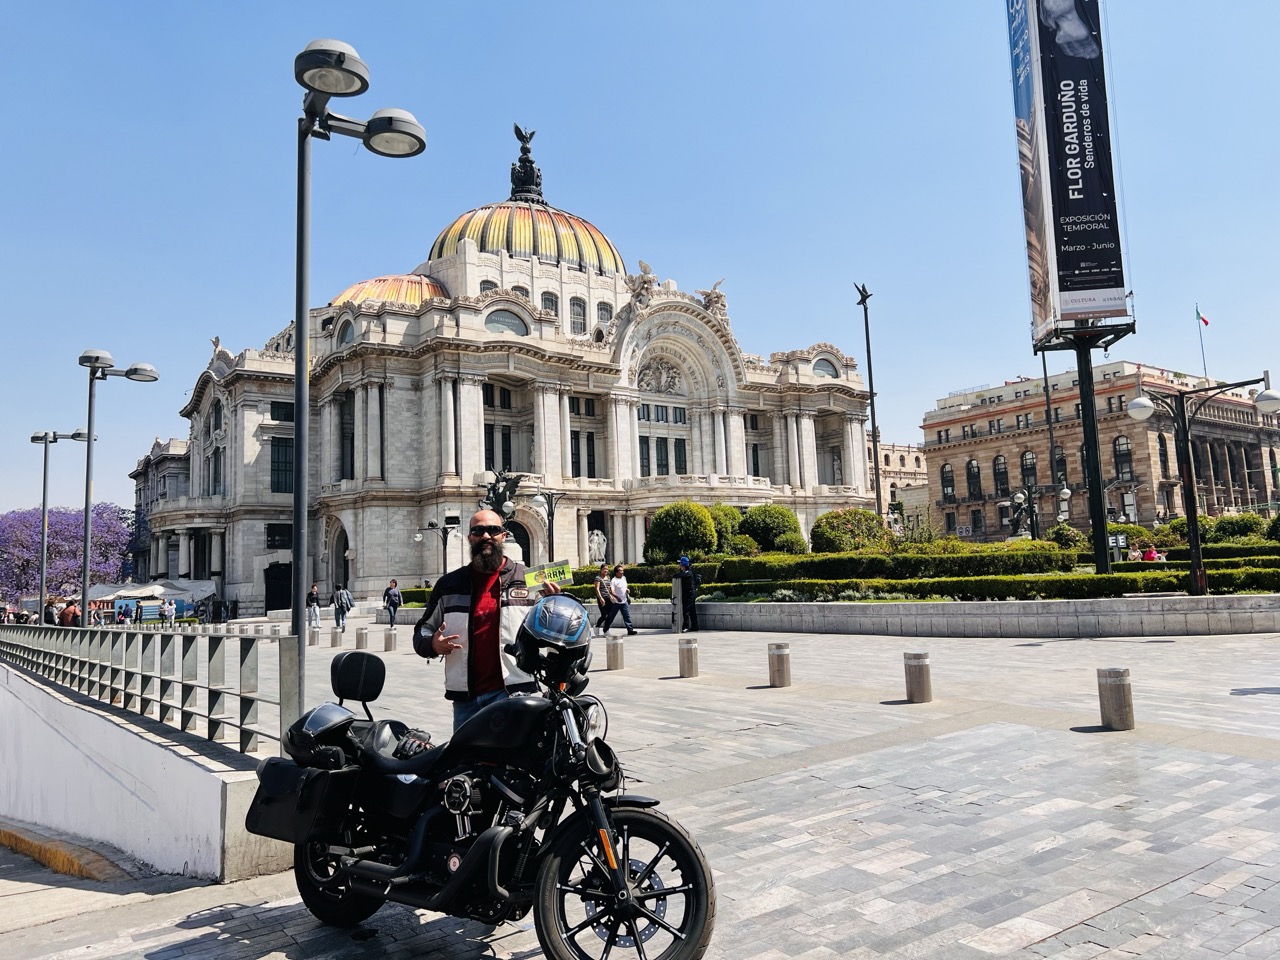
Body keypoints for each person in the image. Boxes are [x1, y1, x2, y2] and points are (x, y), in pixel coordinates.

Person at [413, 509, 559, 731]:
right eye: (478, 530)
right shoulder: (449, 584)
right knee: (466, 763)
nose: (486, 536)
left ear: (503, 535)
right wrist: (432, 644)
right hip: (466, 700)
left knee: (514, 763)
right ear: (470, 537)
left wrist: (553, 605)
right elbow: (422, 630)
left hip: (514, 691)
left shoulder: (528, 579)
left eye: (493, 530)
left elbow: (554, 633)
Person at [601, 563, 638, 635]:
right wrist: (617, 597)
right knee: (611, 617)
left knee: (627, 616)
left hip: (624, 601)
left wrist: (627, 589)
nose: (622, 572)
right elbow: (612, 591)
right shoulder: (613, 581)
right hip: (615, 603)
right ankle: (605, 629)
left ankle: (630, 630)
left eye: (622, 570)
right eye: (620, 571)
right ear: (616, 572)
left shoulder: (624, 578)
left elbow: (624, 587)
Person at [676, 555, 700, 633]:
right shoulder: (687, 572)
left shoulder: (687, 573)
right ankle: (695, 626)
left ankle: (685, 626)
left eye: (680, 564)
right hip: (688, 594)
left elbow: (677, 576)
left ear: (683, 565)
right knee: (691, 610)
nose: (679, 566)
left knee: (686, 609)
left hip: (690, 594)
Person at [592, 563, 612, 636]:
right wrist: (600, 598)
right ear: (601, 570)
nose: (606, 570)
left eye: (607, 569)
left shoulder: (608, 578)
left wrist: (612, 596)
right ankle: (597, 626)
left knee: (609, 615)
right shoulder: (598, 578)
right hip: (602, 598)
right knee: (604, 615)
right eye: (604, 569)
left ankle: (606, 630)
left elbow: (610, 588)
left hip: (608, 598)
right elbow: (597, 589)